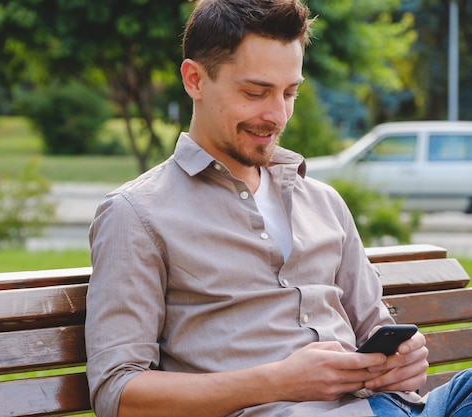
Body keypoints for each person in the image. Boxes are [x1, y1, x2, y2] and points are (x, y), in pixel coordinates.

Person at [85, 0, 472, 416]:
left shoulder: (322, 201)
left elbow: (373, 330)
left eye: (290, 93)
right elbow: (117, 393)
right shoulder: (137, 214)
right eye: (256, 92)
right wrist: (276, 381)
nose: (277, 115)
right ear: (194, 79)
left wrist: (404, 361)